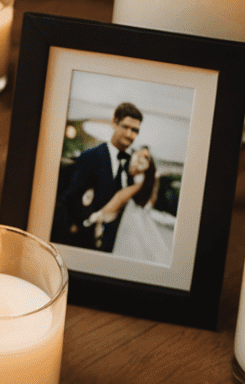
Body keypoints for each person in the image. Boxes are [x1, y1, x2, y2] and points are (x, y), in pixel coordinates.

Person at [58, 101, 142, 255]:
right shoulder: (91, 157)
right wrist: (84, 225)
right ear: (114, 123)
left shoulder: (132, 164)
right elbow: (71, 198)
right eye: (125, 127)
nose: (130, 135)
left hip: (113, 245)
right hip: (84, 242)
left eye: (135, 130)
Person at [103, 146, 175, 265]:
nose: (141, 159)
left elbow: (146, 200)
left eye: (145, 157)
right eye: (140, 156)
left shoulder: (140, 178)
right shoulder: (140, 176)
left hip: (132, 213)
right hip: (134, 213)